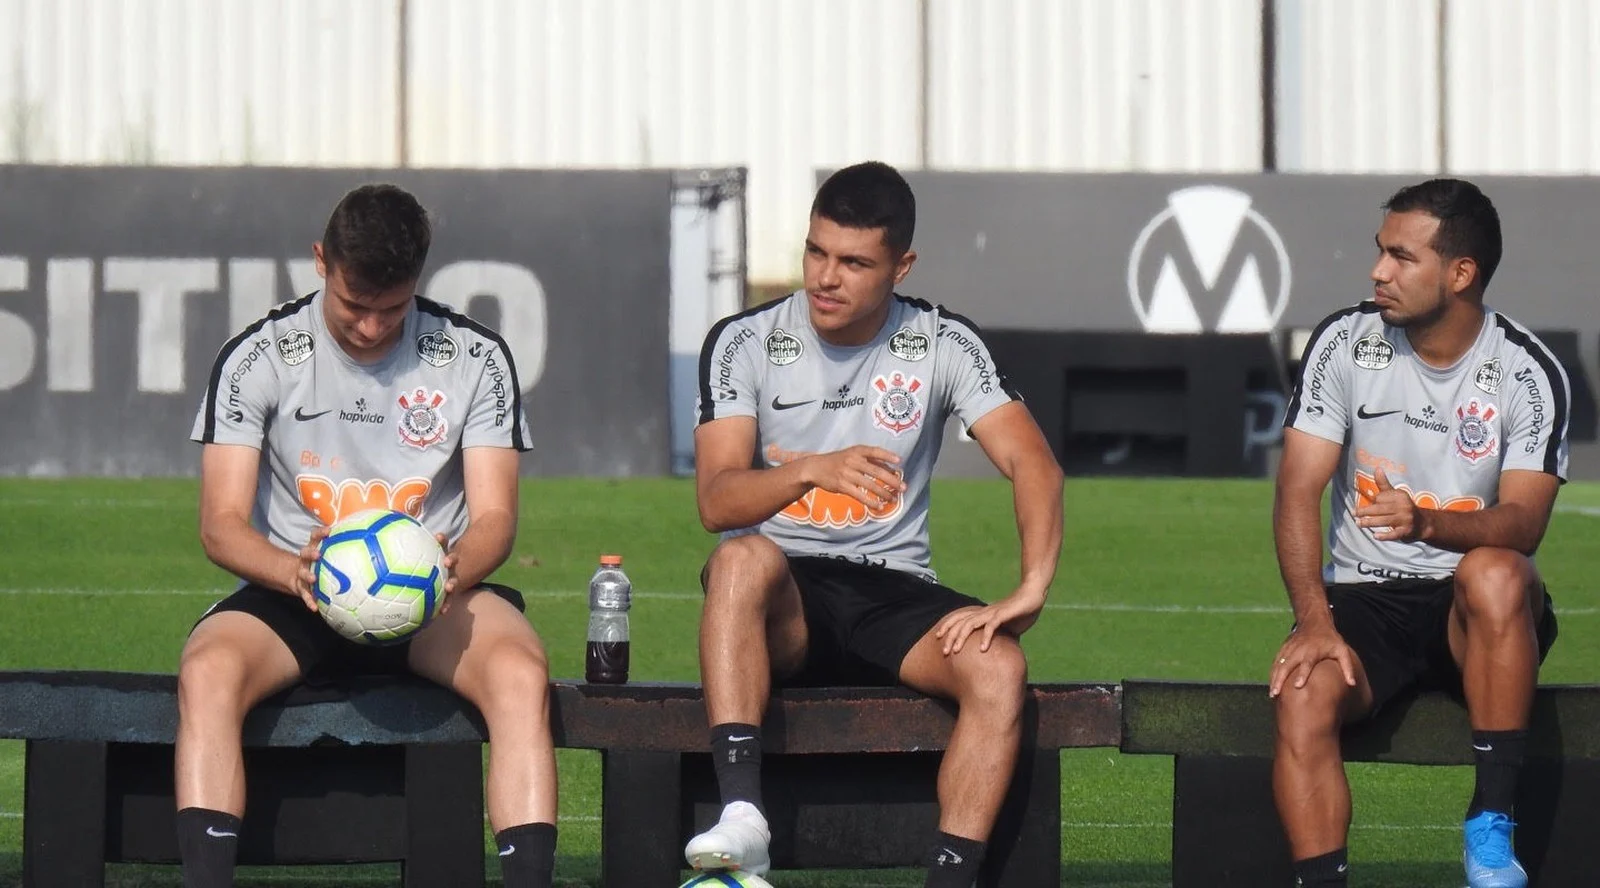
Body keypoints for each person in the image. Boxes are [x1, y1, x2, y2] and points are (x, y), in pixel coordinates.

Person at [686, 161, 1064, 886]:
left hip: (895, 593)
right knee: (738, 561)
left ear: (901, 265)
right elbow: (716, 502)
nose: (827, 277)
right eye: (816, 252)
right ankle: (744, 820)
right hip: (786, 598)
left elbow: (1036, 466)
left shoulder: (941, 341)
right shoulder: (746, 340)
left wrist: (1030, 588)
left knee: (1000, 667)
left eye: (855, 262)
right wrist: (807, 471)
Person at [178, 184, 557, 888]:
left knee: (522, 675)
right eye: (356, 306)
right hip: (297, 590)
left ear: (420, 279)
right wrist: (294, 571)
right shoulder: (259, 356)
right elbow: (221, 525)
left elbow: (497, 520)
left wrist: (450, 567)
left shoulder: (475, 358)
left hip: (433, 597)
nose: (373, 328)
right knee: (207, 672)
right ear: (321, 262)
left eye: (393, 308)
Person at [1272, 178, 1569, 888]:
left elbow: (1524, 525)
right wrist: (1312, 620)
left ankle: (1490, 833)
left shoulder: (1527, 373)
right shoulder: (1344, 342)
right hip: (1363, 600)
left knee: (1495, 572)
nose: (1378, 272)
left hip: (1474, 613)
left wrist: (1428, 522)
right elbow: (1297, 491)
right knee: (1302, 691)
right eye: (1381, 253)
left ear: (1460, 274)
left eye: (1401, 257)